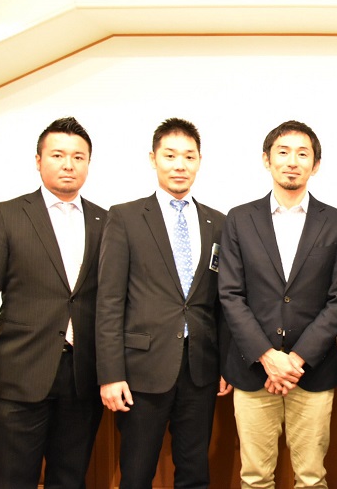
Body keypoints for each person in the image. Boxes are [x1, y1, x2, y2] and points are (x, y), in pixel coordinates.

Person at [0, 117, 105, 488]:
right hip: (17, 376)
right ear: (38, 161)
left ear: (88, 164)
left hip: (82, 377)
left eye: (78, 157)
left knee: (70, 479)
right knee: (12, 480)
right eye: (57, 155)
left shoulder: (106, 221)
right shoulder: (5, 216)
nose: (68, 164)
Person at [218, 120, 337, 489]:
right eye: (283, 152)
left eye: (302, 154)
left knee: (311, 478)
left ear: (316, 164)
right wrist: (267, 356)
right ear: (267, 159)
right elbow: (230, 294)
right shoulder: (239, 219)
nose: (292, 161)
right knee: (254, 477)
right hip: (253, 372)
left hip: (311, 373)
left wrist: (294, 361)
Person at [96, 118, 230, 489]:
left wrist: (225, 364)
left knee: (195, 473)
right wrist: (110, 374)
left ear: (199, 161)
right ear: (153, 159)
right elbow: (109, 301)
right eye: (170, 155)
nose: (179, 165)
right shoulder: (124, 217)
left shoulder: (218, 223)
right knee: (137, 473)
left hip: (200, 369)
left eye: (189, 156)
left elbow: (222, 302)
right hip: (141, 370)